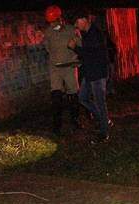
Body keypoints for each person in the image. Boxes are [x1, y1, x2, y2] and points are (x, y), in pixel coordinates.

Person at [68, 12, 110, 144]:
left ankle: (104, 133)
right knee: (82, 98)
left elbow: (91, 54)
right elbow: (88, 54)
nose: (76, 25)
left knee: (100, 103)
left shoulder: (95, 33)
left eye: (77, 22)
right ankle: (103, 120)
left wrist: (75, 48)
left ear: (84, 20)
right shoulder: (86, 34)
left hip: (98, 73)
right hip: (90, 72)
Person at [43, 5, 81, 136]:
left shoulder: (71, 30)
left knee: (73, 94)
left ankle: (75, 120)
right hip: (55, 68)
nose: (52, 24)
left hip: (69, 67)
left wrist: (75, 52)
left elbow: (80, 45)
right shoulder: (48, 32)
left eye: (54, 21)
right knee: (56, 95)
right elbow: (48, 48)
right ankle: (57, 125)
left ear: (60, 18)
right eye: (50, 22)